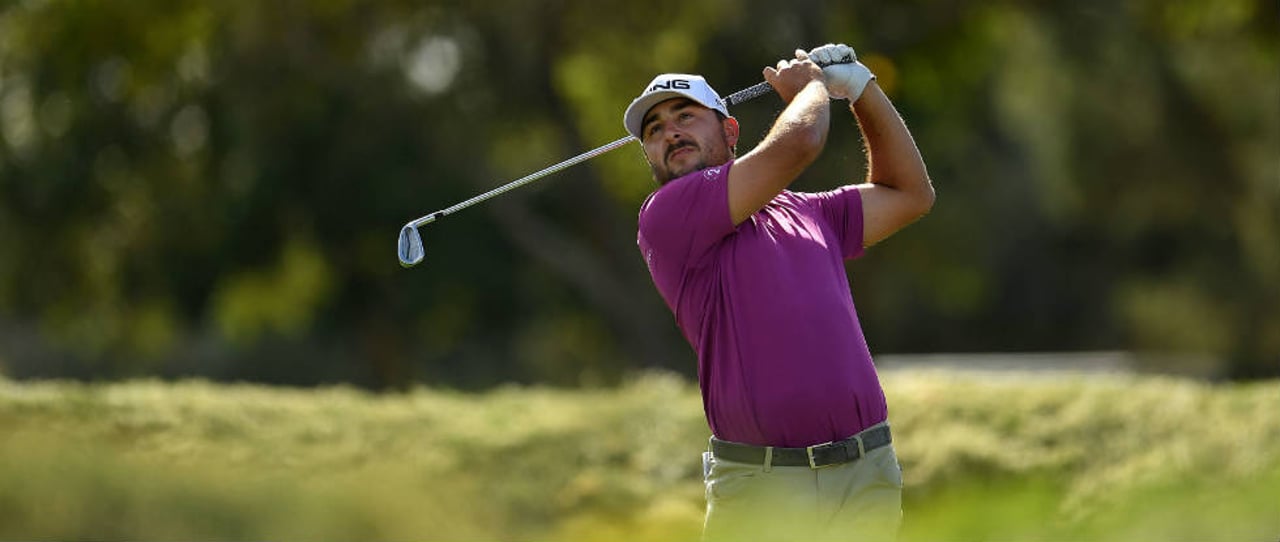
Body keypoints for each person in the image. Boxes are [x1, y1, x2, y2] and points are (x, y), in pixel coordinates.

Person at [623, 43, 934, 541]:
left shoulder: (809, 212)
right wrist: (812, 87)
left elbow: (910, 194)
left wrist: (861, 89)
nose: (670, 132)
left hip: (865, 471)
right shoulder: (668, 215)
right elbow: (799, 144)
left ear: (729, 131)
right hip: (763, 488)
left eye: (685, 116)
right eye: (655, 130)